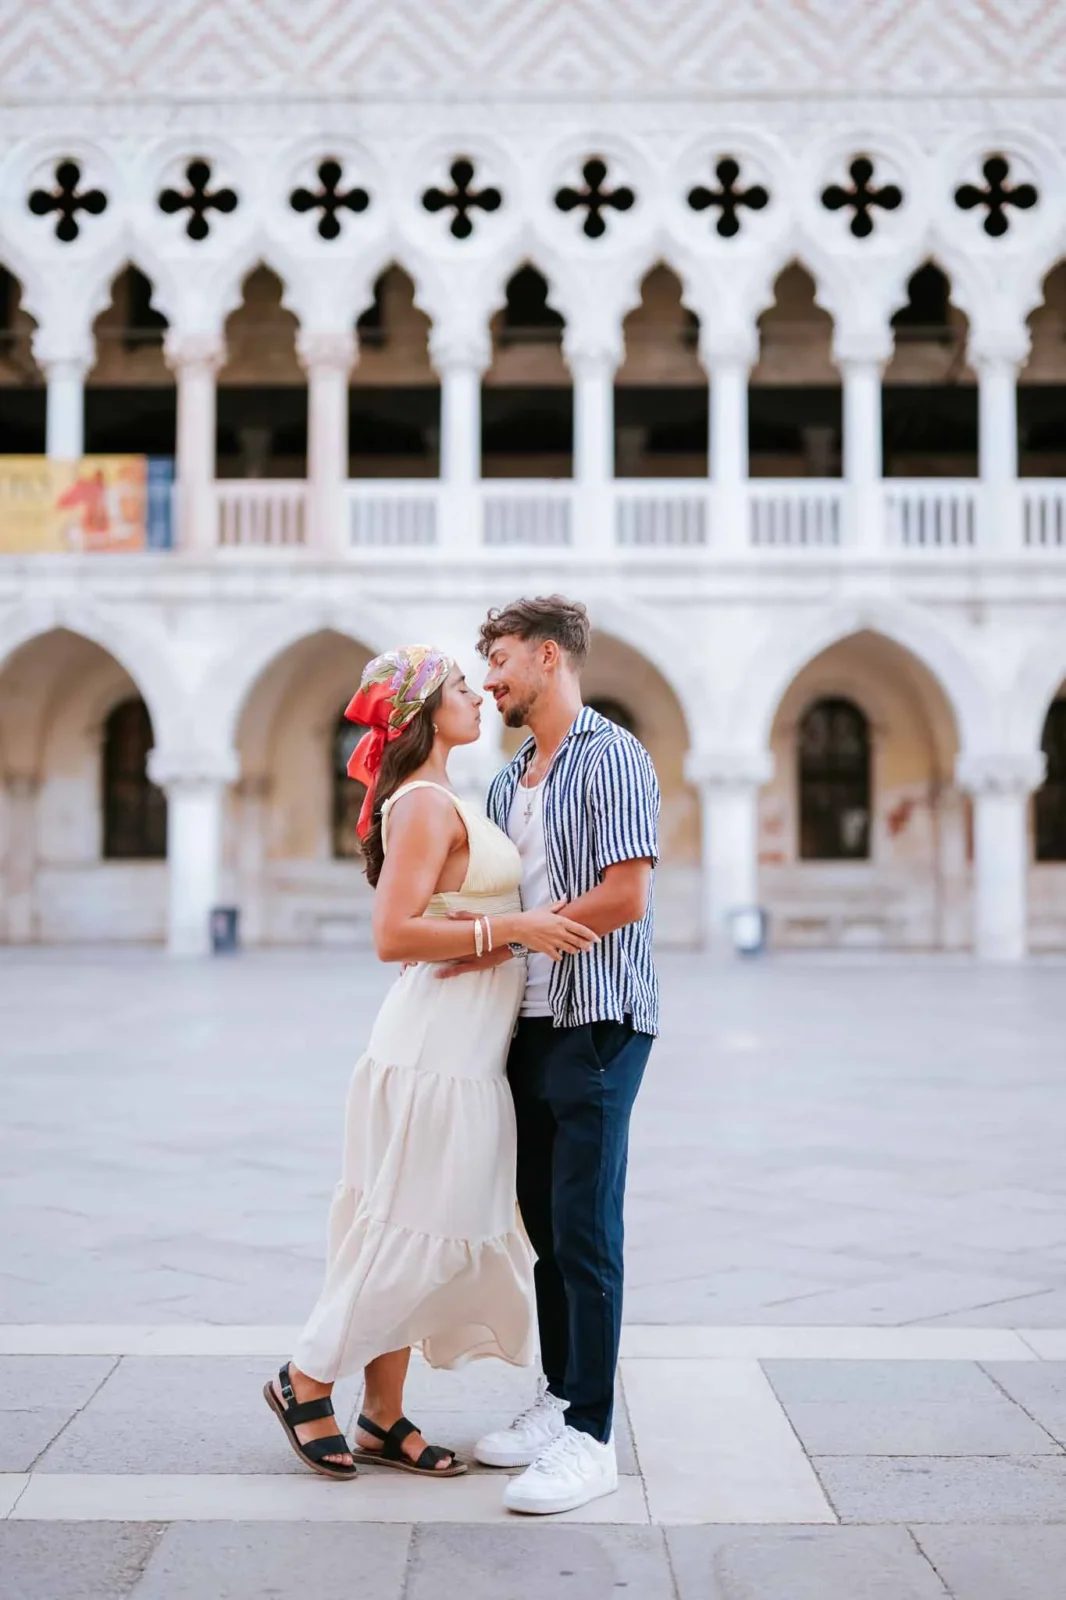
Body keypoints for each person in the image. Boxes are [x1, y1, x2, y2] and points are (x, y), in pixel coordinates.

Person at [264, 644, 598, 1481]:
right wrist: (513, 931)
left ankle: (381, 1417)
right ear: (420, 714)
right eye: (459, 687)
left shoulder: (447, 795)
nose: (478, 695)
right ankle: (304, 1378)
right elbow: (392, 936)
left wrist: (493, 940)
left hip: (466, 1046)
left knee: (415, 1223)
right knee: (417, 1229)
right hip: (432, 1052)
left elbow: (448, 916)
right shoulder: (419, 802)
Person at [440, 596, 660, 1516]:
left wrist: (524, 935)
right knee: (541, 1226)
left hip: (598, 1019)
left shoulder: (613, 757)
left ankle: (593, 1437)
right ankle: (561, 1397)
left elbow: (626, 896)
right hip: (524, 1026)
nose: (488, 679)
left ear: (545, 658)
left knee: (585, 1229)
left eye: (496, 661)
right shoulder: (506, 779)